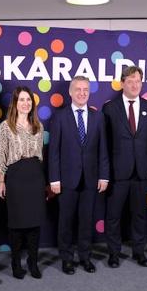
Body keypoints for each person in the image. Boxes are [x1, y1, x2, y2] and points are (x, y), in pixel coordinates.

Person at [102, 66, 147, 268]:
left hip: (142, 171)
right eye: (130, 81)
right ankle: (114, 253)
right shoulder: (110, 108)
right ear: (122, 83)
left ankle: (139, 252)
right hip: (118, 172)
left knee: (139, 215)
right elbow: (105, 143)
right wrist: (105, 172)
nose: (134, 84)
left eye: (138, 81)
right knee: (113, 216)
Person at [48, 76, 109, 275]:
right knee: (65, 221)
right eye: (78, 89)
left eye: (85, 90)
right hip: (66, 180)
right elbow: (54, 151)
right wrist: (54, 179)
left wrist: (104, 176)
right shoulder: (59, 116)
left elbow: (103, 149)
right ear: (70, 92)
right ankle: (66, 258)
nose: (82, 93)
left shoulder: (98, 116)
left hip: (91, 179)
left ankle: (85, 257)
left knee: (86, 221)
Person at [0, 86, 46, 280]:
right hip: (15, 176)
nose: (25, 103)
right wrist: (2, 181)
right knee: (16, 224)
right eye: (22, 100)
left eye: (28, 100)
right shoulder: (5, 126)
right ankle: (16, 264)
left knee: (35, 223)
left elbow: (41, 154)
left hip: (34, 175)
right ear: (15, 103)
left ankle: (33, 263)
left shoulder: (38, 126)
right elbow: (1, 155)